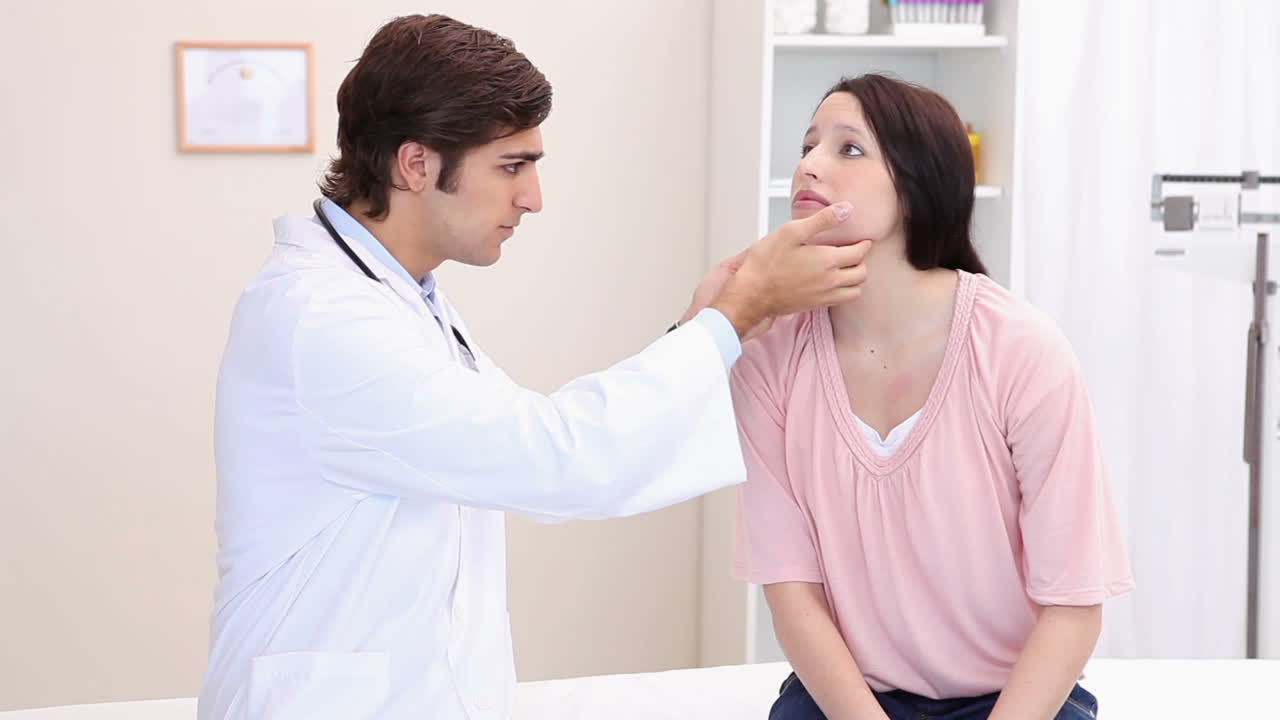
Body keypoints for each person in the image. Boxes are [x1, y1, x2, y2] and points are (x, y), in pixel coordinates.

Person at [197, 14, 871, 720]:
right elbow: (557, 459)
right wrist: (728, 319)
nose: (533, 197)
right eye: (511, 166)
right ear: (416, 164)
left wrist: (703, 327)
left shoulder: (400, 299)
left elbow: (529, 447)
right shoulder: (323, 319)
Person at [731, 74, 1134, 720]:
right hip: (850, 699)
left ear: (917, 184)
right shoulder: (769, 357)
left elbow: (1075, 604)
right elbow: (792, 593)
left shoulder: (1021, 350)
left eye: (848, 148)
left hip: (1016, 699)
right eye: (807, 146)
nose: (809, 164)